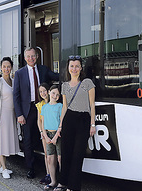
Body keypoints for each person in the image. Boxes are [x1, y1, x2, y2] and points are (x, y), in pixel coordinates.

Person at [13, 47, 59, 179]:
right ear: (25, 58)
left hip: (43, 108)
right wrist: (19, 114)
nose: (31, 59)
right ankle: (31, 168)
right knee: (28, 139)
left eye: (33, 56)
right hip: (28, 110)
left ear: (37, 56)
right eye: (28, 56)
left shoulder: (44, 69)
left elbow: (56, 76)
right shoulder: (19, 73)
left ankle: (49, 169)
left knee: (44, 136)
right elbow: (16, 95)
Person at [55, 55, 96, 191]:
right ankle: (63, 182)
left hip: (83, 120)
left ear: (81, 68)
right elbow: (65, 107)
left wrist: (92, 124)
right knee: (66, 153)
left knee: (78, 155)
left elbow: (92, 105)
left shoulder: (87, 83)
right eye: (72, 66)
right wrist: (60, 125)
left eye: (77, 66)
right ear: (68, 68)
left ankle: (73, 187)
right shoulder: (65, 86)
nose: (74, 68)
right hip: (69, 120)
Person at [0, 57, 20, 179]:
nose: (6, 69)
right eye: (4, 66)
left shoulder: (13, 80)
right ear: (1, 68)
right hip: (1, 115)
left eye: (8, 66)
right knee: (1, 143)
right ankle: (4, 169)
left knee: (5, 141)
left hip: (11, 115)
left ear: (11, 67)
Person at [40, 85, 62, 190]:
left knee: (60, 158)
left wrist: (56, 136)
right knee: (50, 158)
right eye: (53, 93)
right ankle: (53, 181)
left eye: (57, 95)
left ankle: (62, 181)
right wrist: (45, 135)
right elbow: (43, 123)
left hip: (58, 135)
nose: (55, 96)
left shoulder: (60, 106)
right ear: (49, 92)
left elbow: (61, 122)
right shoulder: (44, 107)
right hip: (48, 135)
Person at [36, 83, 51, 185]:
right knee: (46, 154)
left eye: (44, 91)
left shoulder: (53, 102)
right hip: (44, 133)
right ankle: (48, 174)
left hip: (53, 131)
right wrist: (41, 132)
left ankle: (55, 174)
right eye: (40, 92)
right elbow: (39, 120)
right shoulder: (40, 104)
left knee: (54, 155)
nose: (43, 93)